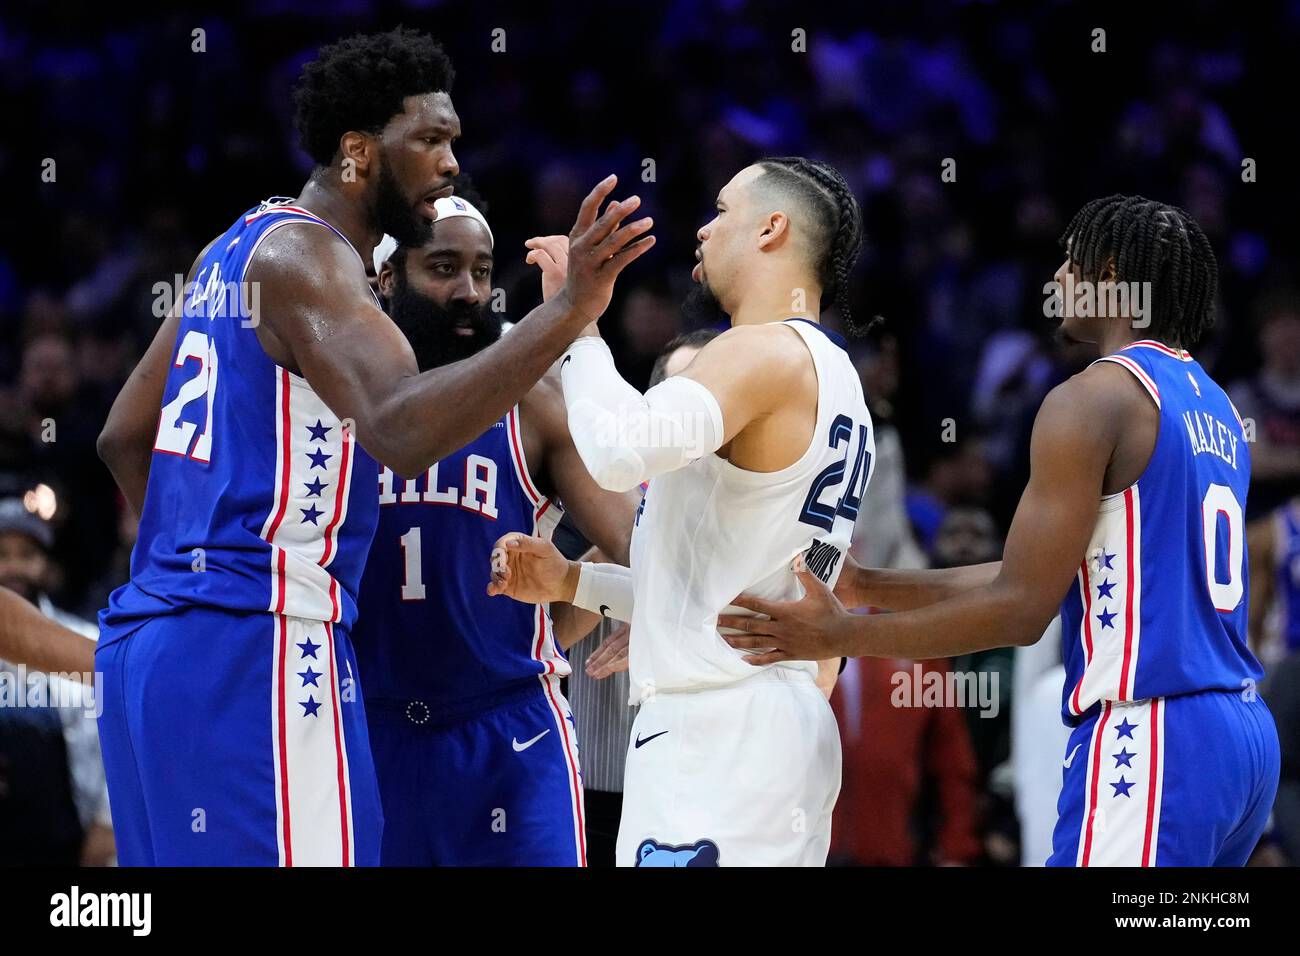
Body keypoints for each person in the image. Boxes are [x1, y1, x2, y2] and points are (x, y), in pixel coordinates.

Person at [92, 28, 652, 866]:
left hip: (154, 643)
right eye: (429, 139)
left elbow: (121, 436)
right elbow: (399, 431)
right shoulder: (313, 257)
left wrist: (195, 565)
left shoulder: (229, 254)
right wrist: (567, 315)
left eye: (454, 139)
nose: (451, 161)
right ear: (358, 153)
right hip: (262, 638)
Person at [721, 195, 1281, 867]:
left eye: (1069, 264)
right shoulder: (1216, 407)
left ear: (1110, 273)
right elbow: (1040, 569)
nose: (1056, 283)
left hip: (1153, 732)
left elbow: (1021, 609)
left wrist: (843, 635)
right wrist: (872, 585)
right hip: (1242, 737)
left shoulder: (1092, 399)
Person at [489, 156, 867, 866]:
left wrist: (578, 319)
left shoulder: (763, 351)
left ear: (771, 229)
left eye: (722, 210)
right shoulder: (837, 373)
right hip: (761, 724)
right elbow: (726, 598)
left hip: (723, 734)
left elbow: (618, 452)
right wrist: (576, 584)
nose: (703, 228)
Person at [353, 199, 639, 866]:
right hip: (369, 729)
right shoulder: (336, 404)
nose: (469, 292)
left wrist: (652, 600)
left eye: (482, 272)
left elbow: (638, 537)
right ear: (387, 277)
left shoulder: (532, 402)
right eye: (443, 268)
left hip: (510, 731)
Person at [563, 328, 720, 867]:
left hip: (705, 789)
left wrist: (672, 619)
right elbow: (554, 629)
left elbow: (824, 660)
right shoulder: (588, 491)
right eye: (687, 390)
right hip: (590, 785)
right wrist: (633, 558)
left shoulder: (755, 517)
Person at [0, 499, 112, 865]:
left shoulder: (88, 641)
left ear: (46, 564)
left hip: (69, 842)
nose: (13, 566)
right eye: (1, 554)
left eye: (26, 554)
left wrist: (109, 822)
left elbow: (124, 736)